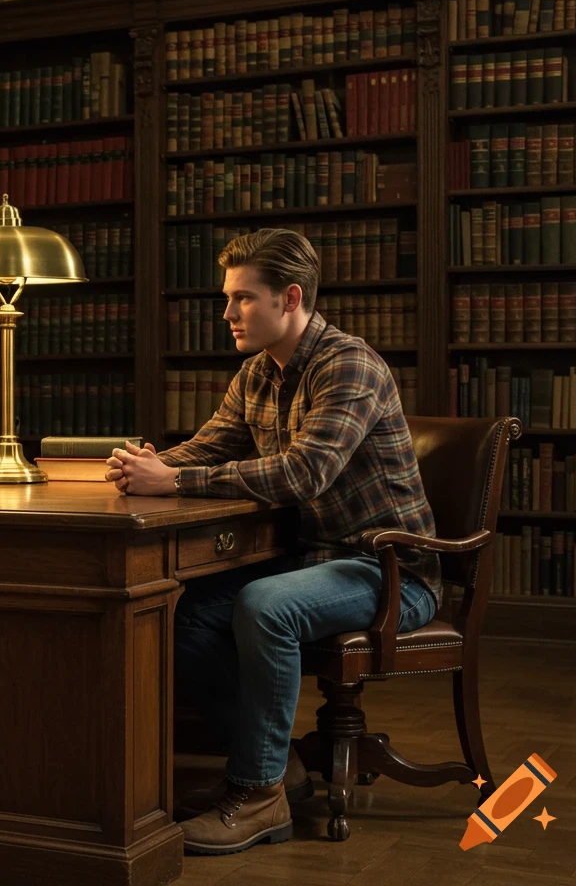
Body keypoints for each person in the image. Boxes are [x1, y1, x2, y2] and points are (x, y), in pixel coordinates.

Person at [105, 228, 440, 855]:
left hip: (389, 568)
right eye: (227, 298)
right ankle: (275, 766)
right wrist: (142, 465)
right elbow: (212, 446)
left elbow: (304, 472)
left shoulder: (350, 365)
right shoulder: (259, 372)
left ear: (290, 298)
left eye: (242, 299)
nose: (227, 313)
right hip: (311, 557)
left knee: (265, 606)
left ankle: (257, 799)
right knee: (181, 607)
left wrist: (172, 479)